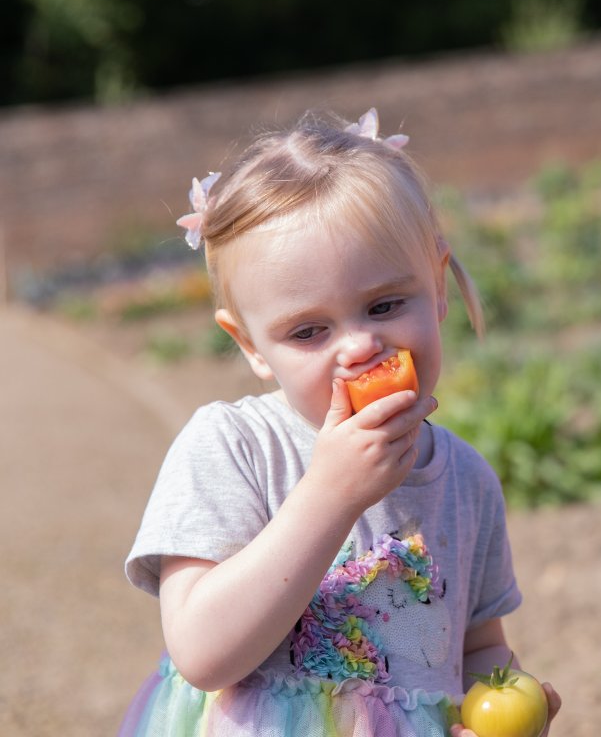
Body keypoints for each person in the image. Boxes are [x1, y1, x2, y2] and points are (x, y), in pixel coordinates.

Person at [119, 108, 560, 736]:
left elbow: (478, 646)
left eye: (384, 305)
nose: (358, 347)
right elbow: (202, 653)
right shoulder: (235, 448)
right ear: (250, 345)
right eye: (308, 331)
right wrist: (330, 494)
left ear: (437, 288)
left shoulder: (467, 481)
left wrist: (505, 712)